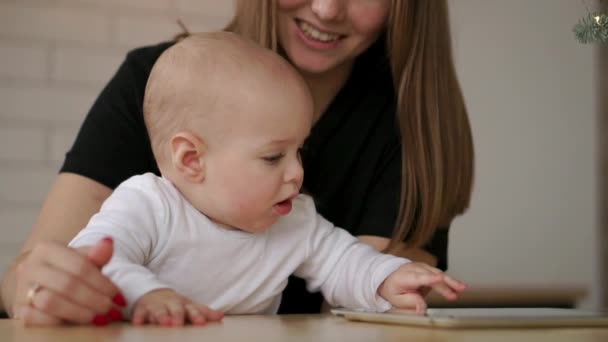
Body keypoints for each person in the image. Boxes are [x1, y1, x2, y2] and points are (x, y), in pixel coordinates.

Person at [1, 0, 474, 325]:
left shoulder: (296, 219)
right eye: (273, 157)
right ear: (192, 159)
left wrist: (386, 276)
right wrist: (147, 296)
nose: (297, 174)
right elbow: (94, 264)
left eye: (299, 152)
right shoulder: (147, 203)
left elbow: (346, 264)